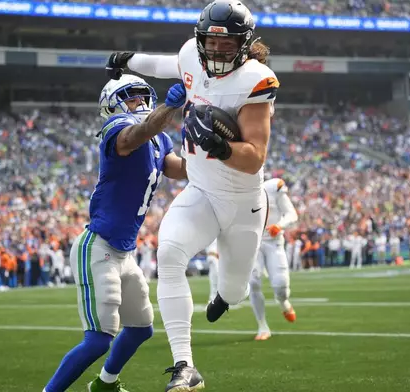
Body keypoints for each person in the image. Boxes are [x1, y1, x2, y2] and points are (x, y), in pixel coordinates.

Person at [106, 1, 278, 390]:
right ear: (201, 41)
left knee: (235, 288)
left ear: (244, 43)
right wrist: (126, 59)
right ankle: (185, 366)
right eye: (211, 43)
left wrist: (218, 146)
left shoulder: (255, 80)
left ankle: (226, 296)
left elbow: (254, 160)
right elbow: (162, 64)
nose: (217, 52)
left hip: (243, 203)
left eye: (227, 43)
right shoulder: (190, 56)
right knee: (168, 252)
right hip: (201, 190)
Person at [43, 74, 187, 392]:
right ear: (112, 104)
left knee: (140, 329)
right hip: (98, 246)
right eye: (132, 96)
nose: (140, 102)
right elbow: (138, 133)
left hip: (123, 251)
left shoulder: (159, 139)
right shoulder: (116, 128)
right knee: (98, 340)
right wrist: (169, 108)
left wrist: (205, 148)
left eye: (143, 96)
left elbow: (180, 169)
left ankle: (105, 384)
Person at [249, 177, 298, 341]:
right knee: (253, 282)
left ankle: (284, 302)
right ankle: (262, 325)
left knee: (280, 285)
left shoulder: (272, 187)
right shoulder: (235, 191)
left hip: (274, 242)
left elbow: (292, 213)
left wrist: (280, 225)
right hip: (252, 244)